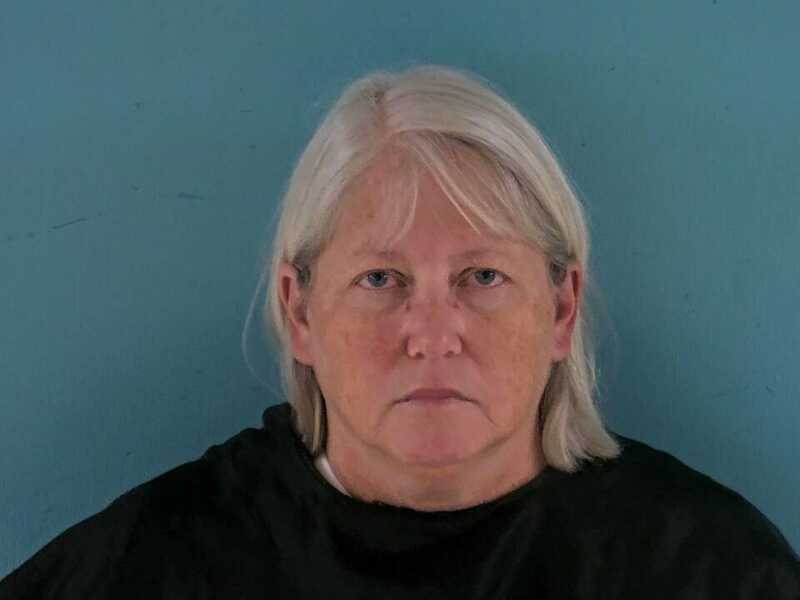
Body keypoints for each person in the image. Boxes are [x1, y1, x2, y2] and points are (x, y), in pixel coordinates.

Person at [1, 64, 798, 599]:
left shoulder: (707, 567)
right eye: (381, 279)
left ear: (561, 309)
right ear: (300, 311)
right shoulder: (165, 560)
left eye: (482, 277)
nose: (433, 334)